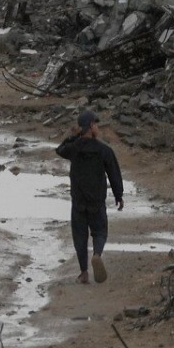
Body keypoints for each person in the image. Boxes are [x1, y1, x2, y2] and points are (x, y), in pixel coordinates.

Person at [56, 110, 124, 285]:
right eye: (96, 124)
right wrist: (119, 195)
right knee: (100, 232)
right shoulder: (104, 150)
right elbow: (114, 174)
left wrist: (73, 137)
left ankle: (84, 273)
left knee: (80, 236)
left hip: (78, 201)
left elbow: (60, 150)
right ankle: (97, 255)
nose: (98, 127)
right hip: (97, 200)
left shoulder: (74, 149)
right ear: (91, 126)